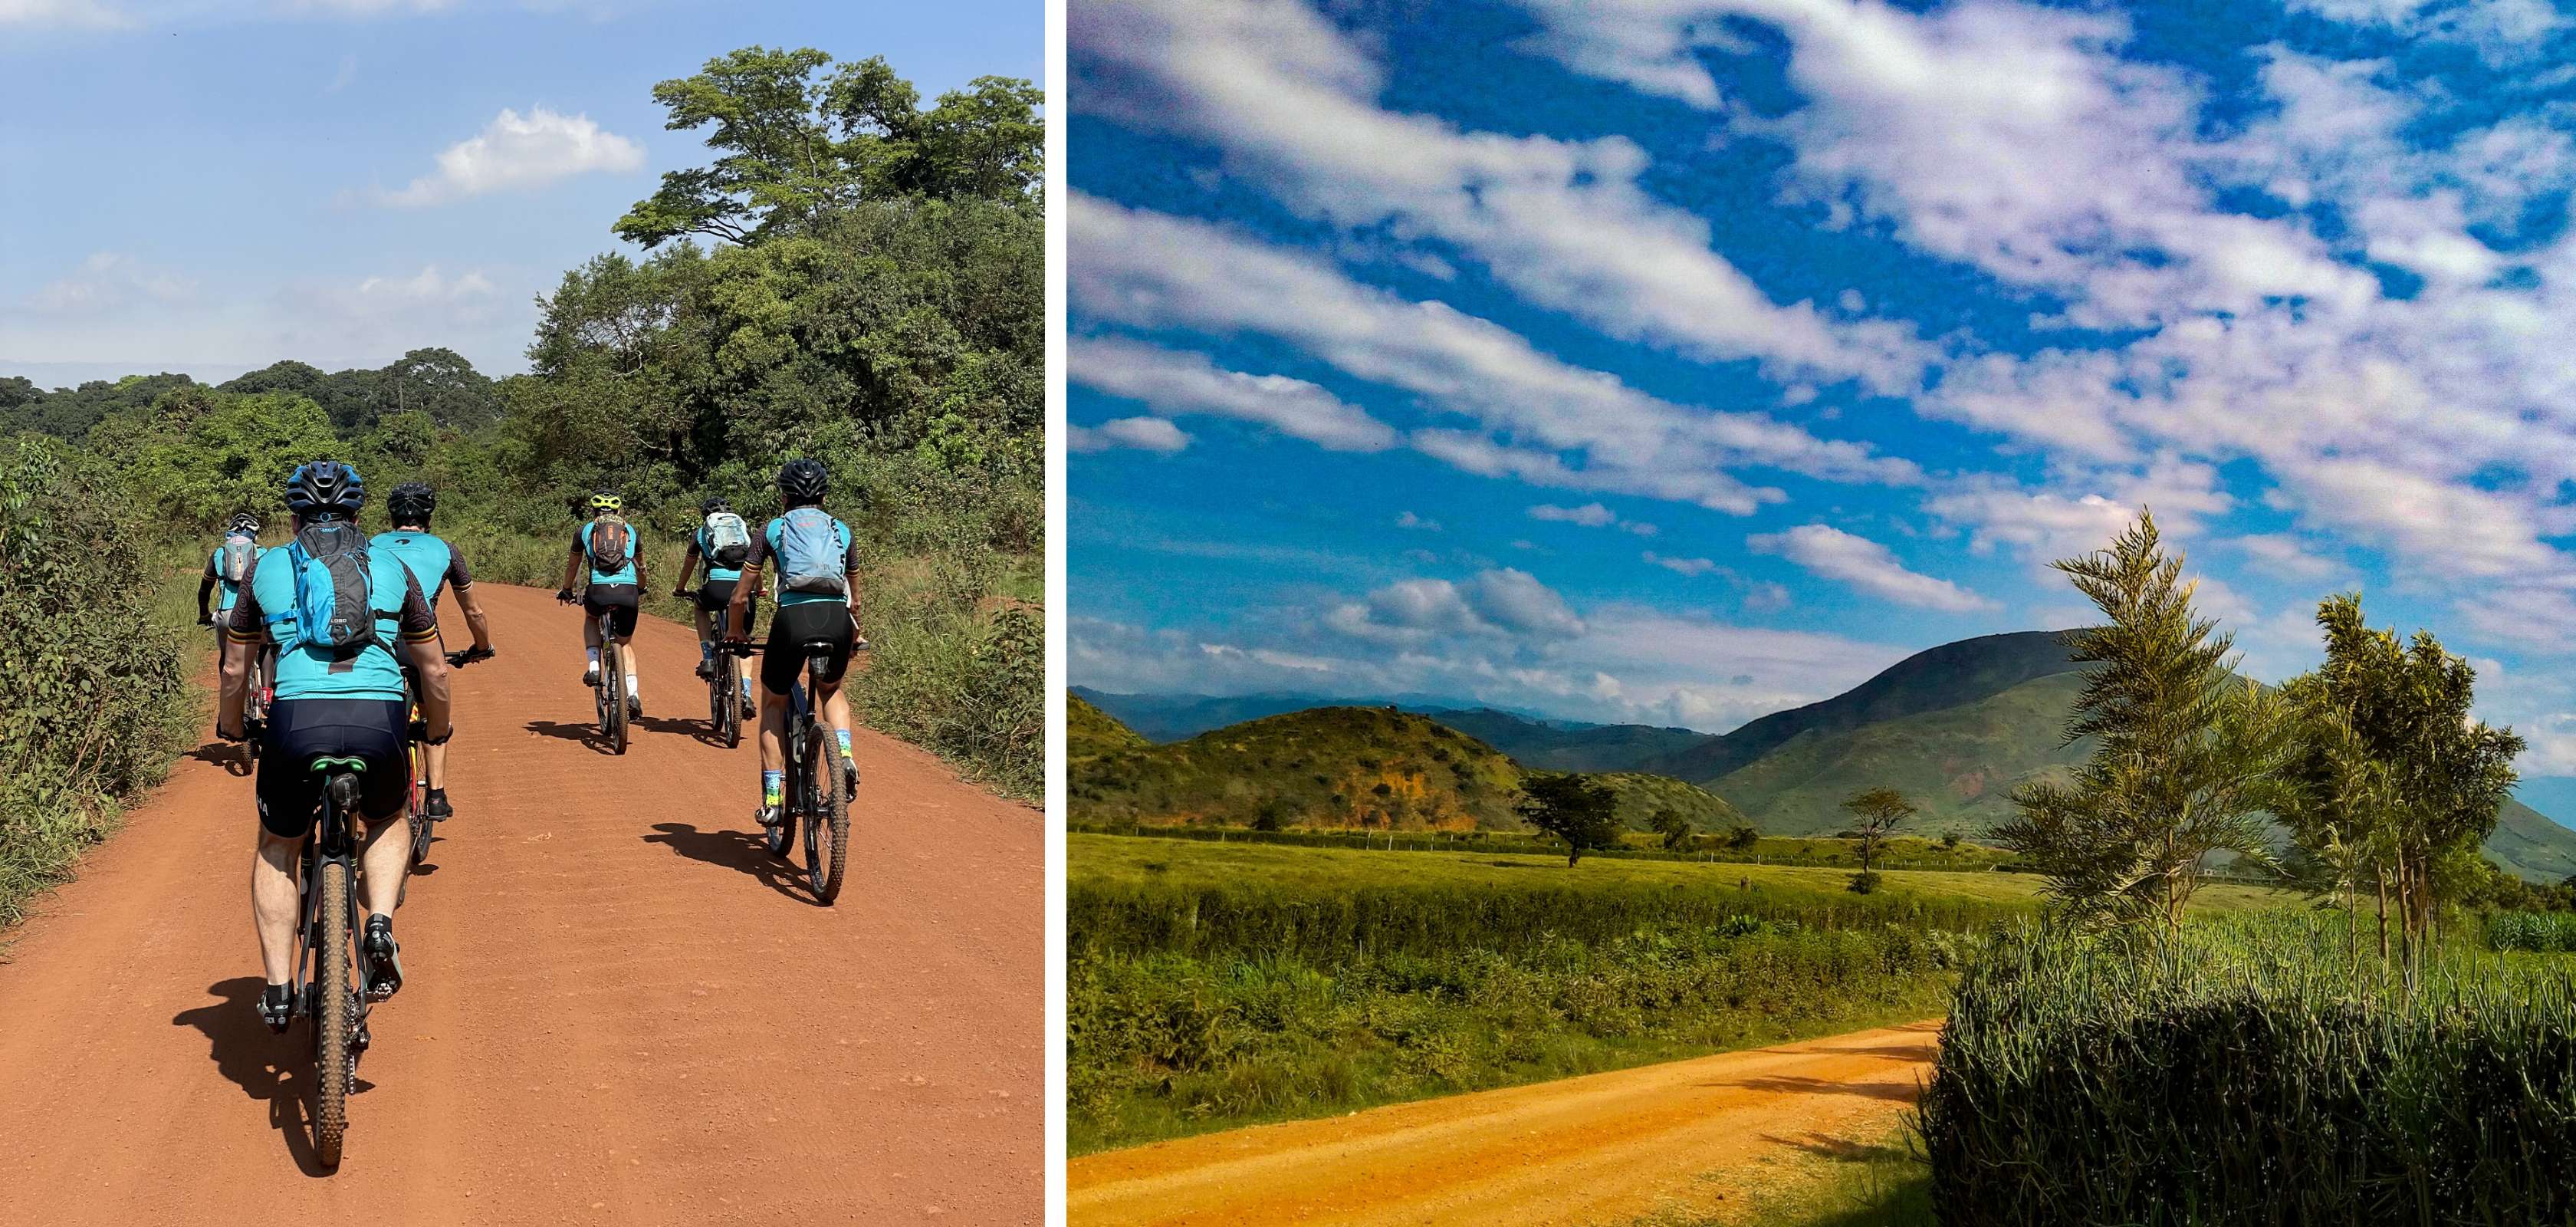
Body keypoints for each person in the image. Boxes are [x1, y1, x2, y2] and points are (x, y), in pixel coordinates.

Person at [215, 461, 452, 1031]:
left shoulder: (266, 567)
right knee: (389, 818)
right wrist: (437, 729)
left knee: (278, 842)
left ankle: (276, 989)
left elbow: (233, 667)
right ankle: (380, 925)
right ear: (358, 515)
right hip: (379, 718)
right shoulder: (393, 567)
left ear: (294, 517)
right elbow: (435, 671)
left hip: (296, 720)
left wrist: (234, 729)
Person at [725, 459, 863, 827]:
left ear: (784, 495)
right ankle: (845, 756)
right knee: (831, 691)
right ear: (823, 495)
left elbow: (740, 597)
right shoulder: (841, 530)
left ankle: (773, 800)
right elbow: (855, 597)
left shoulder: (771, 530)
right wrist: (856, 632)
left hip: (792, 622)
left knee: (773, 702)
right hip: (837, 620)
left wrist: (736, 633)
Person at [371, 482, 495, 825]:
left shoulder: (369, 545)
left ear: (392, 515)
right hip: (421, 642)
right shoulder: (446, 550)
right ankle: (436, 794)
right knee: (434, 716)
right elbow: (473, 612)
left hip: (375, 641)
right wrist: (482, 647)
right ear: (429, 516)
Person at [558, 491, 646, 717]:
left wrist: (567, 590)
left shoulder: (585, 531)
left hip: (598, 591)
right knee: (625, 644)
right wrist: (641, 587)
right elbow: (641, 567)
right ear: (618, 511)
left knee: (591, 617)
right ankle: (633, 695)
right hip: (628, 591)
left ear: (594, 511)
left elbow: (572, 565)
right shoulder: (630, 530)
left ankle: (594, 667)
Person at [672, 495, 757, 712]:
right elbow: (755, 565)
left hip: (716, 588)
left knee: (700, 606)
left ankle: (708, 657)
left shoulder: (701, 533)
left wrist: (680, 588)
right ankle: (746, 693)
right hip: (743, 588)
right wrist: (759, 588)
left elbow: (688, 565)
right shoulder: (744, 531)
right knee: (744, 643)